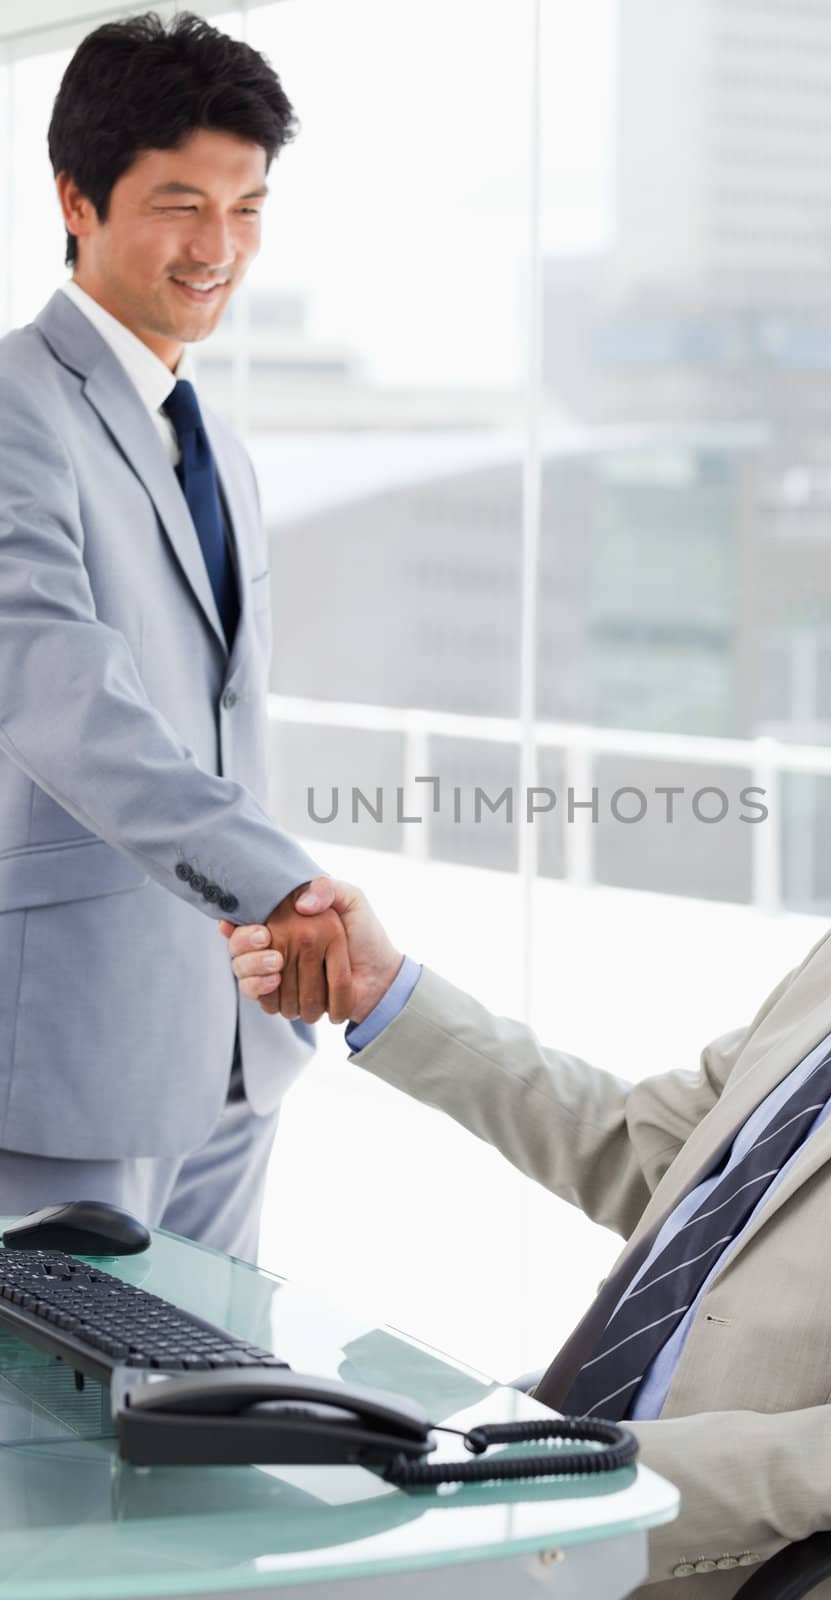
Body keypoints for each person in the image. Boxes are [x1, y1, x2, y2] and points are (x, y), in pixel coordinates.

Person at [225, 573, 831, 1600]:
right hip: (540, 1495)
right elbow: (645, 1154)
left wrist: (610, 1472)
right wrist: (380, 992)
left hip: (715, 1563)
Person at [0, 11, 360, 1262]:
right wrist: (277, 879)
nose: (219, 248)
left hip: (236, 1037)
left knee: (211, 1413)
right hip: (71, 1040)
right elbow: (60, 695)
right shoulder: (14, 411)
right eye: (178, 204)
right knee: (49, 1435)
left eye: (248, 207)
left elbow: (219, 717)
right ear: (76, 199)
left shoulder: (215, 443)